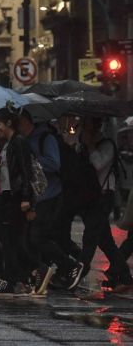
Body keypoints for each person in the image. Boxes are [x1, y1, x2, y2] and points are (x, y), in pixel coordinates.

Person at [18, 110, 83, 292]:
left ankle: (70, 265)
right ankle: (43, 271)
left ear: (26, 121)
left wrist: (31, 161)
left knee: (38, 236)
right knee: (30, 237)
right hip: (34, 197)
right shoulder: (24, 140)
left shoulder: (45, 138)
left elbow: (54, 164)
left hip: (50, 195)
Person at [0, 109, 35, 298]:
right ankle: (6, 277)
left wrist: (27, 198)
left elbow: (26, 171)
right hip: (3, 196)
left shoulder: (18, 142)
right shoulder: (4, 145)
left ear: (9, 124)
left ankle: (9, 280)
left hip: (15, 197)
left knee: (8, 239)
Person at [75, 117, 132, 288]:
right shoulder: (82, 144)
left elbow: (98, 164)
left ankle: (78, 272)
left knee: (90, 237)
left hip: (103, 197)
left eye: (87, 124)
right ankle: (123, 275)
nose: (84, 127)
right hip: (89, 198)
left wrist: (91, 146)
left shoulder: (107, 145)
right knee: (105, 240)